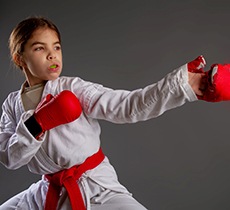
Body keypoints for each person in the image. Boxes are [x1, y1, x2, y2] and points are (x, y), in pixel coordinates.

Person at [0, 16, 228, 210]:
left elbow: (128, 106)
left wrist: (184, 85)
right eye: (40, 48)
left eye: (56, 47)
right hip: (48, 191)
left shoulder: (72, 88)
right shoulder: (11, 106)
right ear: (20, 58)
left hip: (96, 188)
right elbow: (10, 158)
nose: (52, 55)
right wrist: (36, 124)